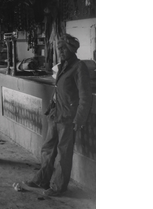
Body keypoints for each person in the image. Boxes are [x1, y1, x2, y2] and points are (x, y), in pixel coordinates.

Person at [24, 34, 92, 197]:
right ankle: (42, 179)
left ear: (71, 49)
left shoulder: (79, 67)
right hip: (55, 114)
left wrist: (79, 118)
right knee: (47, 149)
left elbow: (85, 96)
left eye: (63, 48)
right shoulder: (63, 66)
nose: (59, 51)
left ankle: (58, 186)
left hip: (68, 118)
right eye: (59, 48)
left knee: (63, 154)